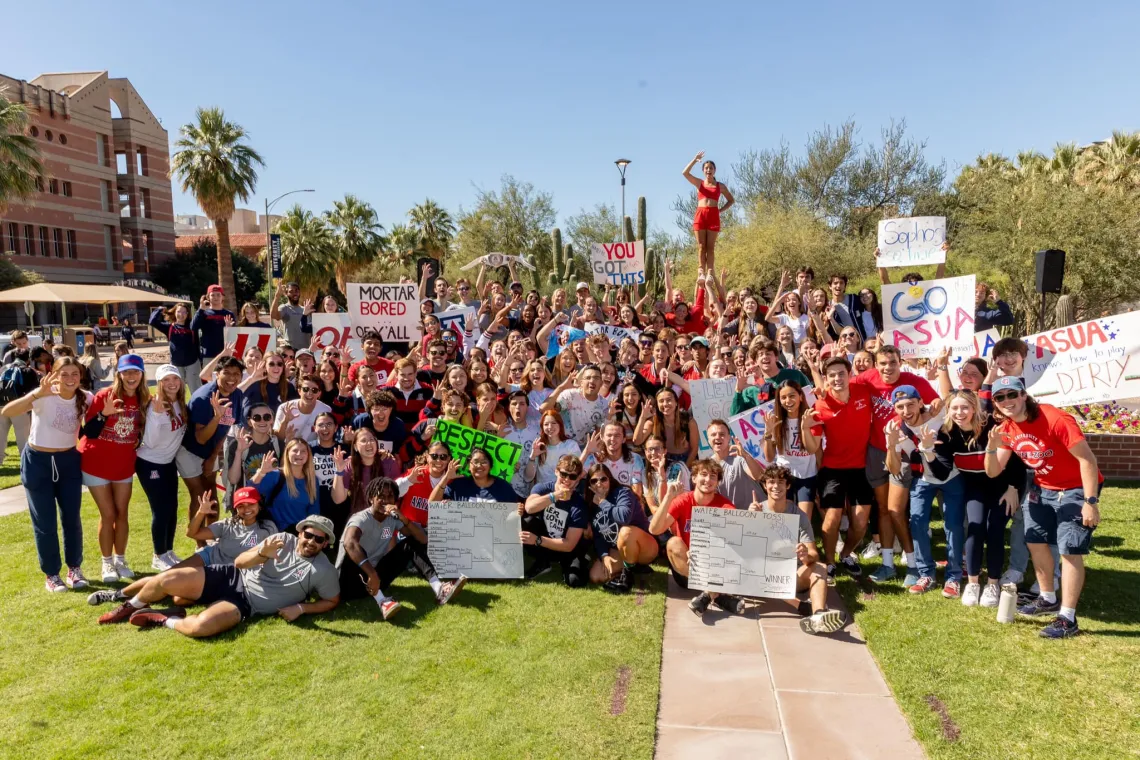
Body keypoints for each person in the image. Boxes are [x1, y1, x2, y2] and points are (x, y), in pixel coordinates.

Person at [985, 377, 1102, 639]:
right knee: (1035, 541)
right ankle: (1047, 598)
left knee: (1069, 550)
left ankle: (1067, 618)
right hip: (1042, 488)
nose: (1007, 401)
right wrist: (992, 448)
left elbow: (1088, 460)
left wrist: (1090, 502)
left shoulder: (1055, 419)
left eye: (1011, 394)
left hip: (1075, 489)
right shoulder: (1007, 428)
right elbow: (993, 472)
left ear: (1024, 395)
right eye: (1000, 397)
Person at [97, 515, 340, 637]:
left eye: (319, 539)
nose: (311, 541)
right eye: (308, 535)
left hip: (246, 604)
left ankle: (162, 618)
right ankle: (129, 605)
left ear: (326, 543)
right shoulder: (281, 540)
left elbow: (332, 601)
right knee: (167, 580)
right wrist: (261, 555)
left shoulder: (324, 570)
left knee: (200, 628)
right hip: (233, 576)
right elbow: (239, 562)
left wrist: (301, 608)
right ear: (300, 533)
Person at [88, 487, 279, 607]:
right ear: (235, 508)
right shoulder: (229, 524)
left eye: (251, 505)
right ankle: (116, 595)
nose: (246, 510)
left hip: (227, 573)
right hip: (209, 557)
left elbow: (269, 556)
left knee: (179, 599)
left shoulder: (267, 528)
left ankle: (151, 600)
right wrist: (200, 513)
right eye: (241, 506)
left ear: (259, 505)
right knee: (163, 577)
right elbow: (192, 533)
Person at [3, 357, 92, 592]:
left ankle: (74, 568)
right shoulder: (43, 395)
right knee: (45, 522)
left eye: (75, 374)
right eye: (65, 374)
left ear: (80, 375)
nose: (70, 379)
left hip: (68, 462)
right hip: (38, 462)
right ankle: (52, 574)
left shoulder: (86, 398)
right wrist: (36, 395)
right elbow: (7, 410)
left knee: (71, 518)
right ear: (54, 374)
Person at [925, 390, 1018, 608]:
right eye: (955, 408)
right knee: (975, 529)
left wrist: (1014, 487)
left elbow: (1015, 458)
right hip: (975, 487)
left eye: (965, 407)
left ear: (974, 408)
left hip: (1002, 487)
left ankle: (993, 583)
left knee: (995, 529)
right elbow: (941, 472)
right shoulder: (947, 434)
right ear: (948, 410)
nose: (960, 412)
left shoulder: (991, 426)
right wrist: (928, 451)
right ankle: (973, 582)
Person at [337, 477, 465, 620]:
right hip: (349, 584)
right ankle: (382, 602)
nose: (386, 500)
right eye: (381, 496)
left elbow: (422, 539)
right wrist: (372, 574)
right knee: (357, 550)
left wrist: (404, 519)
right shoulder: (360, 518)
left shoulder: (392, 518)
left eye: (390, 496)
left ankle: (439, 589)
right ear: (371, 498)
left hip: (376, 579)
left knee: (410, 542)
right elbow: (349, 543)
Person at [883, 385, 964, 596]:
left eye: (911, 404)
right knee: (917, 522)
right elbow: (893, 469)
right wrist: (891, 446)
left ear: (920, 402)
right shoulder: (894, 428)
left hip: (951, 476)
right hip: (922, 478)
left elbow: (951, 396)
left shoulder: (939, 415)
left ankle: (954, 576)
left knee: (953, 524)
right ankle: (925, 572)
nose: (906, 410)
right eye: (900, 406)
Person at [752, 465, 847, 635]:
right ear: (765, 485)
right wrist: (752, 519)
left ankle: (818, 615)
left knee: (820, 568)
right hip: (762, 577)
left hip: (791, 576)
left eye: (781, 482)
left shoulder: (799, 515)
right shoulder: (756, 510)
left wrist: (806, 555)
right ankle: (802, 606)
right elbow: (746, 554)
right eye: (771, 482)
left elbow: (814, 554)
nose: (776, 486)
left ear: (788, 486)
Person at [805, 356, 876, 582]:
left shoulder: (863, 391)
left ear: (849, 374)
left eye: (841, 373)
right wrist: (806, 427)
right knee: (832, 517)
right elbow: (811, 447)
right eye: (832, 375)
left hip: (861, 468)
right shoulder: (819, 406)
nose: (837, 378)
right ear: (826, 379)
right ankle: (830, 562)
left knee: (861, 522)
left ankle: (845, 554)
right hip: (832, 469)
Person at [80, 353, 148, 583]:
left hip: (123, 466)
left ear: (142, 374)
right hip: (96, 464)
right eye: (126, 372)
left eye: (136, 372)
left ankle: (121, 559)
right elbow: (87, 432)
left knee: (122, 514)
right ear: (119, 373)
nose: (131, 376)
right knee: (108, 514)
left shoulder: (144, 399)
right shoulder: (104, 396)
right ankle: (106, 563)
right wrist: (103, 414)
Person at [649, 458, 741, 615]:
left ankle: (708, 595)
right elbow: (655, 529)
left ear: (718, 482)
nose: (707, 480)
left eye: (713, 476)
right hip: (686, 570)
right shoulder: (682, 500)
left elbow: (733, 542)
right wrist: (668, 497)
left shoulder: (726, 506)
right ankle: (717, 595)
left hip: (713, 567)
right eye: (703, 474)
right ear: (693, 478)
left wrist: (703, 554)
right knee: (673, 543)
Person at [178, 356, 245, 544]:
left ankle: (212, 539)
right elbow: (200, 438)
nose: (232, 378)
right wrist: (216, 417)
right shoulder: (203, 397)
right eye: (227, 373)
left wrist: (213, 456)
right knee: (199, 495)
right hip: (189, 450)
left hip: (211, 450)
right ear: (217, 374)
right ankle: (199, 542)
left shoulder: (237, 394)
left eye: (237, 374)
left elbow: (227, 426)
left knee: (212, 495)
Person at [135, 365, 189, 572]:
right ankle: (158, 555)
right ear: (159, 383)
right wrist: (157, 416)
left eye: (174, 378)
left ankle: (168, 551)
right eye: (166, 380)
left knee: (172, 508)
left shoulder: (179, 403)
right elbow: (150, 441)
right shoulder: (155, 405)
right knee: (160, 509)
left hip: (168, 463)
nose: (171, 383)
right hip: (150, 463)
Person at [583, 463, 657, 592]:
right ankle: (633, 568)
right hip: (619, 549)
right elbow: (599, 536)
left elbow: (624, 518)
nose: (599, 484)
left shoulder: (623, 493)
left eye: (603, 479)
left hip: (644, 547)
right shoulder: (593, 504)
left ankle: (627, 576)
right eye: (594, 481)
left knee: (626, 532)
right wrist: (604, 555)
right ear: (590, 485)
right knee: (596, 576)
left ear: (610, 479)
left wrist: (602, 503)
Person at [521, 455, 590, 587]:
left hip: (567, 548)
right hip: (546, 542)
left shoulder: (579, 505)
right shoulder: (543, 488)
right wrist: (555, 496)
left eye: (572, 476)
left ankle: (580, 559)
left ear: (577, 478)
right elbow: (529, 508)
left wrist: (538, 540)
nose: (567, 480)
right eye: (564, 474)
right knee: (527, 520)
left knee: (575, 581)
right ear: (556, 471)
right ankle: (543, 561)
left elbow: (569, 545)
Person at [761, 381, 823, 519]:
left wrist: (805, 427)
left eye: (792, 396)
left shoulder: (812, 418)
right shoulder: (776, 420)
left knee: (804, 518)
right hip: (784, 475)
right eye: (783, 397)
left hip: (807, 475)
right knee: (785, 518)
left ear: (800, 396)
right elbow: (769, 457)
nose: (788, 401)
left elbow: (813, 449)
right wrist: (768, 433)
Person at [252, 438, 320, 532]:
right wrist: (261, 473)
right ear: (287, 454)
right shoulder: (276, 475)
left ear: (308, 455)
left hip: (299, 534)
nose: (299, 454)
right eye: (295, 450)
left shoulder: (312, 480)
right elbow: (251, 492)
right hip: (275, 533)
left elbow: (314, 511)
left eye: (303, 451)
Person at [682, 151, 734, 272]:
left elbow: (731, 200)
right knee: (701, 246)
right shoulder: (699, 183)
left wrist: (720, 210)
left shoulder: (720, 186)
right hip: (700, 215)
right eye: (706, 168)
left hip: (713, 216)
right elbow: (685, 173)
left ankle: (710, 271)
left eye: (711, 168)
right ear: (703, 171)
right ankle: (701, 270)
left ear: (715, 170)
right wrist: (695, 159)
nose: (708, 170)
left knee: (710, 248)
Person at [542, 364, 610, 446]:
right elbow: (544, 409)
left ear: (601, 383)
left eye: (596, 378)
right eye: (588, 378)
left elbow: (598, 433)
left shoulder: (604, 405)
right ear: (581, 382)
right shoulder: (569, 395)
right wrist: (561, 388)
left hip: (579, 448)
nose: (592, 381)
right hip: (559, 443)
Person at [705, 418, 765, 510]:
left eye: (722, 434)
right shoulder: (707, 465)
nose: (717, 437)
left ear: (729, 437)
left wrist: (746, 456)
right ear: (708, 439)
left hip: (758, 512)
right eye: (713, 435)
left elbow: (759, 476)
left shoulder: (739, 455)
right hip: (733, 519)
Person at [430, 447, 520, 503]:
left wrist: (518, 511)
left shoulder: (504, 487)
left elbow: (513, 513)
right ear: (469, 466)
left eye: (484, 462)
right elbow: (432, 504)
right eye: (475, 462)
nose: (479, 466)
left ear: (490, 466)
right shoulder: (458, 485)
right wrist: (446, 478)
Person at [0, 346, 38, 454]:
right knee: (23, 436)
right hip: (19, 406)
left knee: (1, 435)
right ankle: (24, 458)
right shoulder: (28, 371)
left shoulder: (4, 368)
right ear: (28, 359)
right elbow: (34, 391)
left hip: (1, 404)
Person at [274, 375, 330, 446]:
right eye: (306, 389)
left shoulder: (325, 410)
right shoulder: (284, 408)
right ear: (299, 391)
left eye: (314, 390)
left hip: (313, 451)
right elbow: (278, 438)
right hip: (288, 449)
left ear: (319, 393)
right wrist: (285, 421)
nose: (309, 393)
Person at [190, 285, 234, 366]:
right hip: (208, 354)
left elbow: (234, 335)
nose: (215, 297)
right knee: (209, 378)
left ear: (223, 297)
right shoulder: (203, 313)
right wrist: (201, 309)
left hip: (226, 353)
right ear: (208, 297)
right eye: (212, 295)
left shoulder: (229, 314)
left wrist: (229, 328)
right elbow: (193, 327)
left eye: (218, 295)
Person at [270, 281, 307, 351]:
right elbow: (274, 316)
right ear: (286, 294)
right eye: (291, 291)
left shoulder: (305, 309)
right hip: (291, 350)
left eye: (296, 291)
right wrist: (277, 296)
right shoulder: (284, 308)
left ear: (299, 293)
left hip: (306, 350)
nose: (294, 293)